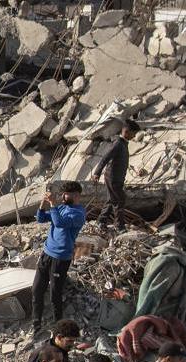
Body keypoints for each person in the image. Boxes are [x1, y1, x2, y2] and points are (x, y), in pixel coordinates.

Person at [31, 181, 86, 330]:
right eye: (62, 194)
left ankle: (58, 327)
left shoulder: (78, 214)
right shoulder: (61, 207)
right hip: (46, 253)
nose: (62, 197)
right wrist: (43, 203)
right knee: (36, 290)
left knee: (55, 295)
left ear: (76, 196)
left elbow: (59, 223)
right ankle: (36, 324)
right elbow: (41, 218)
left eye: (65, 195)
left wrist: (53, 204)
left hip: (61, 258)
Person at [90, 121, 135, 225]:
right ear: (126, 132)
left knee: (111, 200)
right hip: (113, 177)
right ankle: (119, 226)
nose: (134, 136)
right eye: (133, 133)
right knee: (119, 200)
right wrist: (97, 173)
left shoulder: (123, 143)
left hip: (117, 178)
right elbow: (105, 158)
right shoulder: (118, 143)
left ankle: (101, 221)